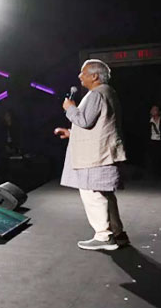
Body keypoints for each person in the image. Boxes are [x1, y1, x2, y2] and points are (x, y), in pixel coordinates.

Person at [54, 59, 128, 251]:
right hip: (103, 153)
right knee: (105, 194)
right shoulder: (109, 92)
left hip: (94, 157)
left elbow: (85, 121)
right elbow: (99, 125)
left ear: (94, 76)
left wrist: (70, 108)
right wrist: (72, 133)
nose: (80, 76)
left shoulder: (96, 94)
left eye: (83, 72)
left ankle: (103, 236)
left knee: (92, 194)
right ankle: (118, 234)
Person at [146, 105, 161, 177]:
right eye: (152, 110)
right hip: (152, 141)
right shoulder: (148, 121)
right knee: (153, 158)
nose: (153, 111)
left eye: (155, 110)